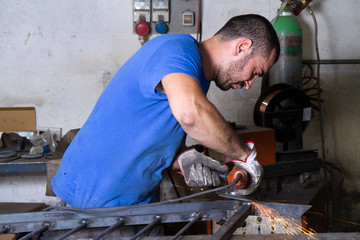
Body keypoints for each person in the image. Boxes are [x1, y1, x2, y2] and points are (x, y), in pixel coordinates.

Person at [51, 14, 280, 209]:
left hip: (134, 202)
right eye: (256, 72)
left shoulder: (196, 78)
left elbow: (161, 136)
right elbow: (191, 115)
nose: (249, 84)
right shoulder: (178, 51)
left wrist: (185, 159)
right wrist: (244, 155)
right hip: (96, 200)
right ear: (241, 47)